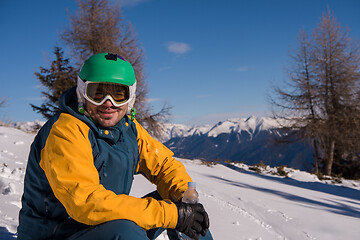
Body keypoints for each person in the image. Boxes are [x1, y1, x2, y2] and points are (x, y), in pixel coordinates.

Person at [17, 53, 212, 240]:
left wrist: (185, 200)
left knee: (187, 210)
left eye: (119, 94)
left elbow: (164, 166)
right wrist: (171, 215)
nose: (107, 103)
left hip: (102, 227)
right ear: (82, 93)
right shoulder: (65, 132)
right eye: (98, 93)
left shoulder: (128, 129)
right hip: (58, 234)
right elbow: (86, 202)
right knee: (126, 230)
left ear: (130, 97)